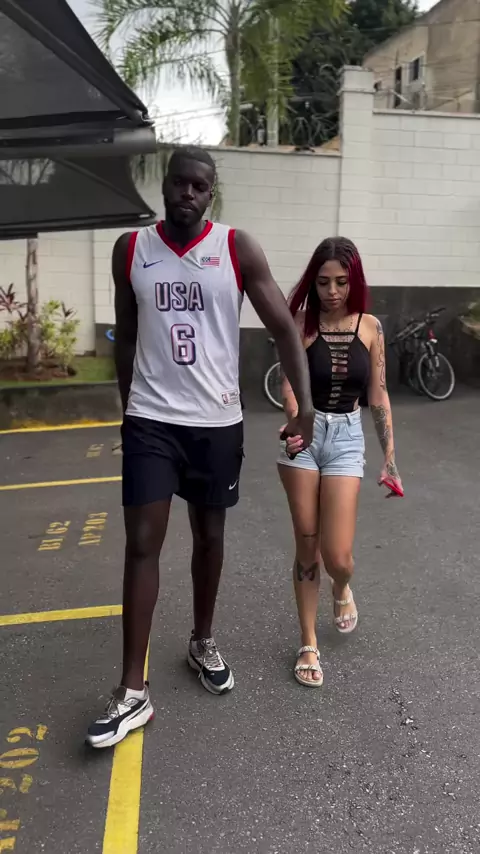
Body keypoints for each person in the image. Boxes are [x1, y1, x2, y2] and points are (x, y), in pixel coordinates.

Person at [86, 146, 314, 747]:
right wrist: (128, 408)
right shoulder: (131, 249)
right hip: (151, 420)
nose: (187, 193)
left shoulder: (236, 248)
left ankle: (202, 640)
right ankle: (132, 691)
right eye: (179, 183)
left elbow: (284, 329)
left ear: (211, 194)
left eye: (200, 186)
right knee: (142, 543)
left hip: (215, 422)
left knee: (209, 537)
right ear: (164, 186)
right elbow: (126, 335)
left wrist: (305, 406)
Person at [277, 237, 402, 688]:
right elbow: (290, 385)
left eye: (342, 282)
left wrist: (389, 458)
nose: (332, 291)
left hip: (347, 438)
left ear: (354, 282)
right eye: (323, 282)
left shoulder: (370, 327)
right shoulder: (299, 323)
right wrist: (296, 420)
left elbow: (378, 394)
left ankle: (342, 585)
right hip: (304, 439)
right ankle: (308, 642)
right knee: (307, 543)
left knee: (339, 556)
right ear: (313, 282)